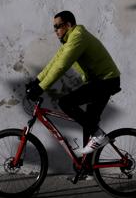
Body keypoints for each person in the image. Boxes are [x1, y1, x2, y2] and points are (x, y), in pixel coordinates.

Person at [26, 11, 121, 155]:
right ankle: (87, 168)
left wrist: (40, 88)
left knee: (66, 103)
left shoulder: (78, 37)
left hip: (106, 81)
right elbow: (54, 62)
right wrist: (37, 80)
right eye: (54, 28)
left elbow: (61, 67)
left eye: (58, 26)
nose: (55, 31)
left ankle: (99, 136)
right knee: (89, 124)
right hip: (99, 81)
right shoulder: (69, 40)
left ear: (68, 25)